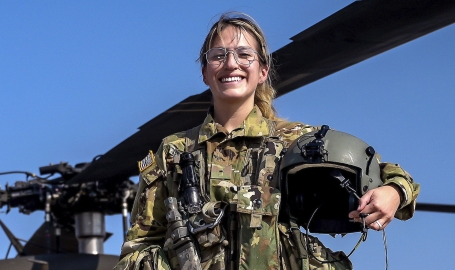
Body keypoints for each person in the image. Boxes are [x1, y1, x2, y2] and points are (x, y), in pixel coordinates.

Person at [114, 12, 420, 270]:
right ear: (205, 72)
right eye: (218, 56)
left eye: (244, 55)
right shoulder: (174, 152)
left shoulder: (298, 142)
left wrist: (393, 192)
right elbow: (138, 247)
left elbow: (387, 172)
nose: (231, 64)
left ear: (262, 71)